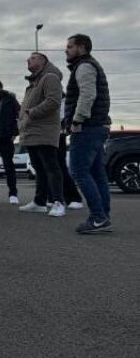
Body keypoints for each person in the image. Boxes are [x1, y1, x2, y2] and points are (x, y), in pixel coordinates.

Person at [64, 34, 112, 234]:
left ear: (81, 47)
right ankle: (103, 216)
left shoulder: (84, 66)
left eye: (69, 46)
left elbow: (87, 94)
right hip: (96, 126)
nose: (65, 50)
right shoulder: (89, 65)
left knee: (79, 171)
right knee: (97, 174)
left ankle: (98, 217)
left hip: (87, 127)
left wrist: (77, 120)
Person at [17, 53, 65, 217]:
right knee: (39, 168)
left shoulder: (50, 77)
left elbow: (53, 101)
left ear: (43, 61)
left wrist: (32, 113)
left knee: (51, 167)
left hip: (44, 130)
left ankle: (58, 202)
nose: (28, 60)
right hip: (32, 131)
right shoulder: (34, 82)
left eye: (33, 58)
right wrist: (22, 121)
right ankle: (39, 202)